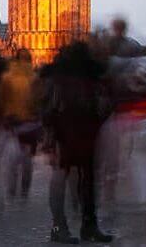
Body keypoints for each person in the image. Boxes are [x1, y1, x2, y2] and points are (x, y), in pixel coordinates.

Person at [42, 42, 114, 244]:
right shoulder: (88, 79)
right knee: (81, 182)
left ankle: (67, 226)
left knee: (72, 181)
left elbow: (47, 109)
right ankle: (79, 226)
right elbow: (105, 107)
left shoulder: (60, 80)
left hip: (72, 135)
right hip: (73, 135)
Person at [0, 48, 42, 198]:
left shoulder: (7, 77)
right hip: (30, 122)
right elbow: (39, 101)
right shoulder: (35, 78)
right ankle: (24, 190)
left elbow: (2, 100)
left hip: (12, 121)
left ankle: (11, 189)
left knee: (11, 158)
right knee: (27, 158)